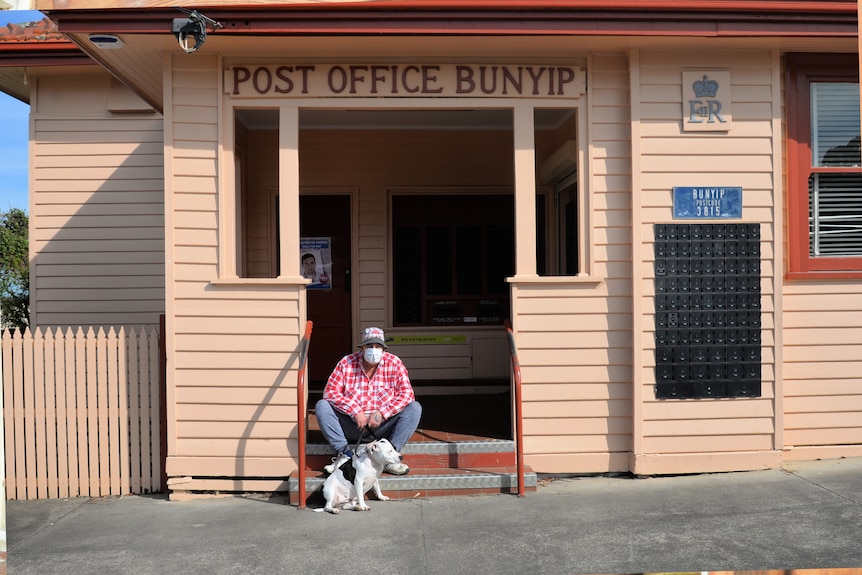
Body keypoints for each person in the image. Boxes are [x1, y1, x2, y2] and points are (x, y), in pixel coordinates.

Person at [315, 327, 422, 475]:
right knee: (322, 406)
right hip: (353, 425)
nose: (374, 350)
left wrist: (382, 413)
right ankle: (344, 456)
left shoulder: (395, 363)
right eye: (369, 346)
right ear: (362, 348)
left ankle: (390, 457)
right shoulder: (346, 363)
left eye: (378, 346)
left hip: (382, 427)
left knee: (414, 408)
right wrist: (355, 411)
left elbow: (407, 394)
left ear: (383, 349)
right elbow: (330, 392)